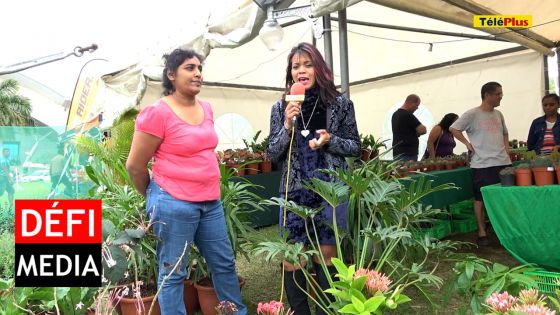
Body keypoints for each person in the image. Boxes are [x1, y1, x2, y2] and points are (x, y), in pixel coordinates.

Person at [126, 48, 247, 315]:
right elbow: (135, 166)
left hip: (210, 203)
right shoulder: (157, 113)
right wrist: (155, 197)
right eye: (190, 68)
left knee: (223, 264)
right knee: (173, 272)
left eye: (200, 68)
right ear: (171, 74)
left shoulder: (206, 108)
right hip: (174, 204)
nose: (198, 74)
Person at [267, 42, 360, 315]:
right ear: (290, 73)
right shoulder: (280, 107)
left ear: (319, 68)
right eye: (296, 67)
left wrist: (331, 141)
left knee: (327, 255)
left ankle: (325, 311)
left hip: (330, 190)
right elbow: (272, 153)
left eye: (307, 64)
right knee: (293, 258)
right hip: (293, 190)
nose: (302, 71)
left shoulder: (340, 104)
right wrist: (286, 125)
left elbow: (354, 145)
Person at [450, 82, 511, 246]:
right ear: (487, 95)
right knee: (480, 199)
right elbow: (454, 128)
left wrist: (506, 149)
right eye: (498, 94)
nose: (501, 97)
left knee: (503, 198)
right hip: (482, 164)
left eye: (501, 93)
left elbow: (505, 133)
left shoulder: (499, 114)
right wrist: (467, 144)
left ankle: (502, 230)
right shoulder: (472, 114)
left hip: (503, 162)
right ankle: (482, 232)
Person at [391, 94, 427, 161]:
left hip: (398, 151)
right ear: (412, 104)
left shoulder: (395, 114)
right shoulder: (407, 115)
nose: (416, 108)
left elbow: (404, 131)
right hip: (408, 153)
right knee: (410, 171)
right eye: (417, 106)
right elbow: (423, 130)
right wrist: (416, 133)